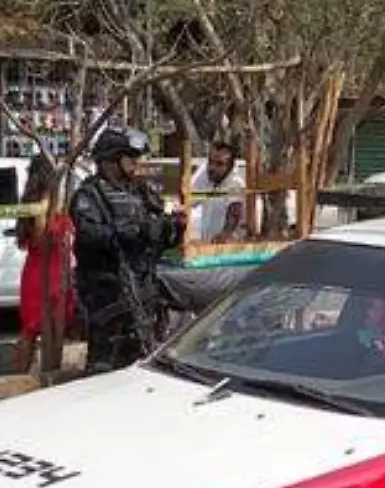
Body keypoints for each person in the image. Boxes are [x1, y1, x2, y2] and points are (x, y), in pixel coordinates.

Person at [69, 126, 183, 372]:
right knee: (104, 367)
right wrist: (133, 231)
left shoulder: (143, 192)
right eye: (130, 157)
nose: (136, 163)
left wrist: (173, 228)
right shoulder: (89, 195)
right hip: (107, 295)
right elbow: (89, 236)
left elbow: (161, 238)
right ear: (112, 160)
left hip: (143, 294)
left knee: (144, 363)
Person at [15, 154, 74, 374]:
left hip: (59, 272)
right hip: (41, 274)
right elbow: (41, 238)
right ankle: (21, 377)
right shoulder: (39, 203)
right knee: (32, 329)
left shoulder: (61, 202)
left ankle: (50, 371)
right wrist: (47, 204)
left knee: (54, 327)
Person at [189, 140, 245, 242]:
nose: (212, 168)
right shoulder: (207, 179)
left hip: (227, 249)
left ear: (230, 167)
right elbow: (189, 200)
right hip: (207, 246)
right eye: (210, 162)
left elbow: (234, 213)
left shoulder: (235, 184)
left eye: (219, 164)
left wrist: (225, 234)